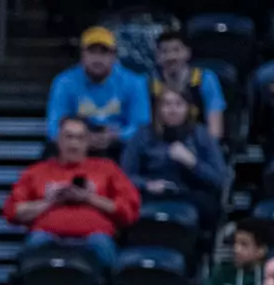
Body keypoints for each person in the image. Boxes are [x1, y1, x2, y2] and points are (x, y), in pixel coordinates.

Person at [5, 116, 140, 272]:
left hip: (95, 239)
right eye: (68, 137)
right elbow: (14, 211)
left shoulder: (107, 169)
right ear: (58, 139)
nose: (74, 144)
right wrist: (51, 201)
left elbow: (129, 211)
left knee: (102, 246)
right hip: (47, 237)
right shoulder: (36, 172)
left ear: (88, 141)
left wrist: (89, 198)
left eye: (80, 138)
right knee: (36, 243)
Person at [120, 87, 227, 228]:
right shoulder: (143, 135)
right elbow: (125, 175)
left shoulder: (201, 135)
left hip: (190, 194)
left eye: (179, 104)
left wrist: (192, 162)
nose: (172, 110)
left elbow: (220, 178)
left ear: (188, 108)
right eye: (167, 104)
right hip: (151, 194)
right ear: (158, 109)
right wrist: (147, 185)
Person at [46, 25, 149, 153]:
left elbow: (142, 127)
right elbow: (53, 128)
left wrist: (116, 136)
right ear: (82, 55)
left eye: (104, 52)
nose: (97, 58)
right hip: (76, 147)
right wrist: (82, 137)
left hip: (119, 148)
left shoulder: (134, 83)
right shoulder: (64, 82)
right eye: (92, 51)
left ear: (114, 56)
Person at [151, 31, 226, 141]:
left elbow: (215, 131)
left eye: (176, 50)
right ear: (158, 56)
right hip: (161, 147)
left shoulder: (205, 79)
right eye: (164, 51)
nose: (171, 56)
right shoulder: (151, 83)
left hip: (199, 145)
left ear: (187, 53)